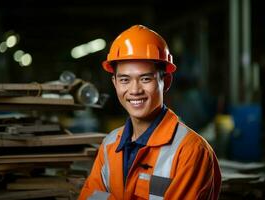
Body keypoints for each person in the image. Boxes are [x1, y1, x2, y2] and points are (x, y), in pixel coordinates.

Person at [78, 25, 221, 200]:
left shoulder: (190, 151)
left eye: (145, 78)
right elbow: (90, 196)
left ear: (166, 81)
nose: (134, 90)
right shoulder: (109, 146)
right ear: (115, 83)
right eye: (125, 80)